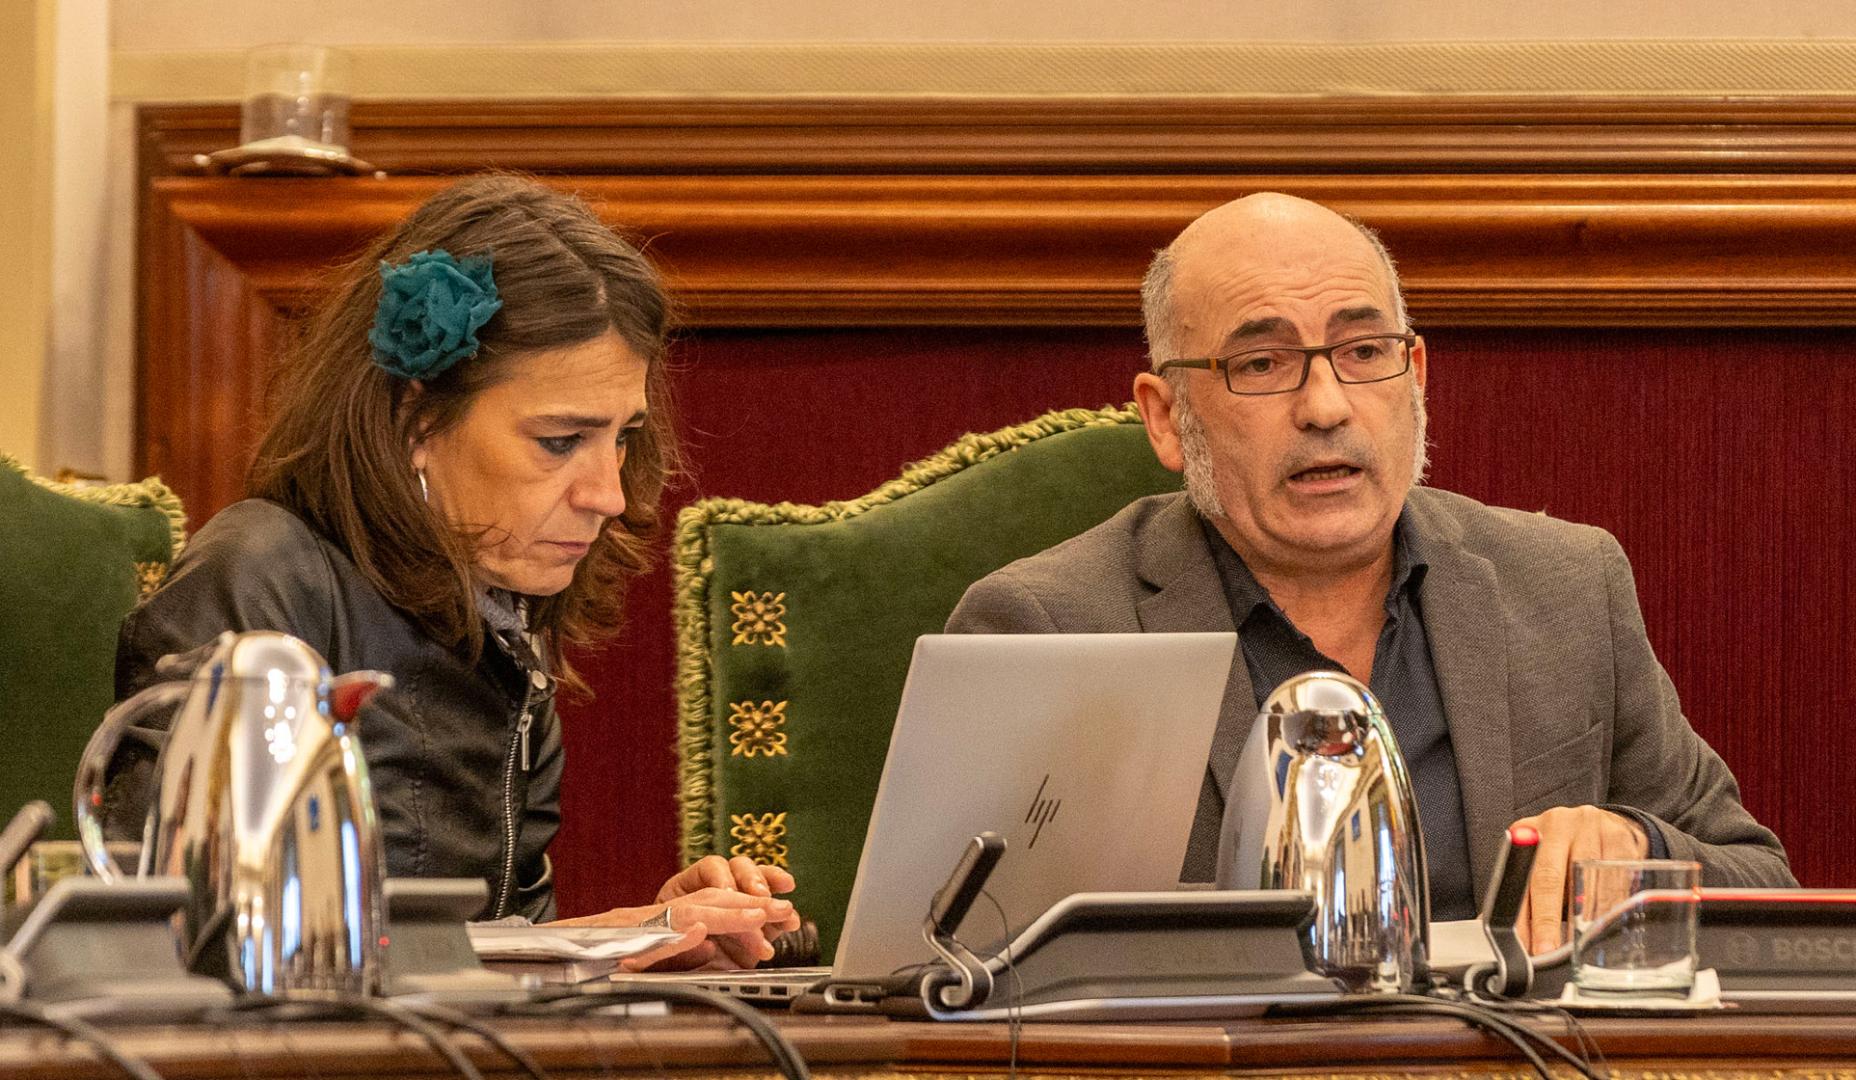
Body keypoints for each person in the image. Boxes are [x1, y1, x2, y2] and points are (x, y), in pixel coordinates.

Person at [946, 192, 1793, 952]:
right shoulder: (1048, 628)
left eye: (1363, 351)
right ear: (1167, 420)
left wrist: (1635, 847)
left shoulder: (1566, 588)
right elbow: (944, 953)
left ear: (1415, 377)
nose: (1326, 406)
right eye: (1263, 364)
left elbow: (1763, 886)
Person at [104, 175, 797, 971]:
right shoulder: (256, 579)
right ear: (415, 417)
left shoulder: (501, 611)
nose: (609, 493)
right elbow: (198, 950)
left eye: (622, 437)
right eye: (561, 440)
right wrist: (593, 947)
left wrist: (647, 935)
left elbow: (491, 954)